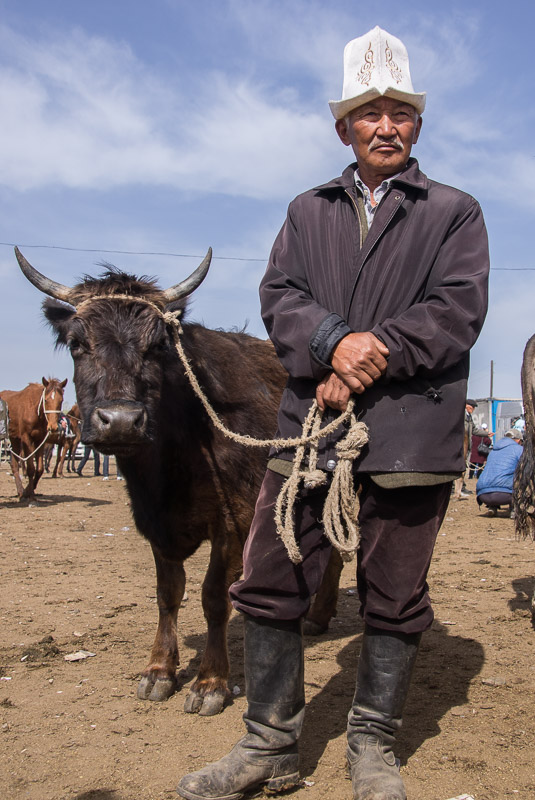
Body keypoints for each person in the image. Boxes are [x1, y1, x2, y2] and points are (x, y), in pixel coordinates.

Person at [177, 25, 489, 800]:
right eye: (368, 113)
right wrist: (328, 343)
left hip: (411, 434)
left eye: (400, 113)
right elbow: (279, 297)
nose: (386, 126)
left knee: (392, 593)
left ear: (416, 124)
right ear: (341, 126)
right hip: (306, 431)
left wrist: (364, 352)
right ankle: (269, 744)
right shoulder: (305, 209)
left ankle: (372, 748)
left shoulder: (454, 211)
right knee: (269, 577)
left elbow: (456, 310)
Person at [476, 429, 523, 517]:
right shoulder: (519, 449)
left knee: (496, 475)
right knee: (521, 477)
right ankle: (514, 509)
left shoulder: (493, 450)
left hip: (483, 494)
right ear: (518, 440)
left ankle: (492, 507)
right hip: (505, 495)